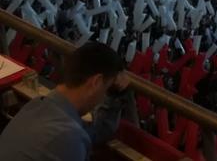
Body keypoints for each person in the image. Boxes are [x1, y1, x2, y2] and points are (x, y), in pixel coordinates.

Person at [0, 41, 130, 161]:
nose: (103, 97)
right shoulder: (67, 137)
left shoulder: (37, 106)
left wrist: (114, 97)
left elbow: (89, 134)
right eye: (107, 89)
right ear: (96, 82)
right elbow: (74, 138)